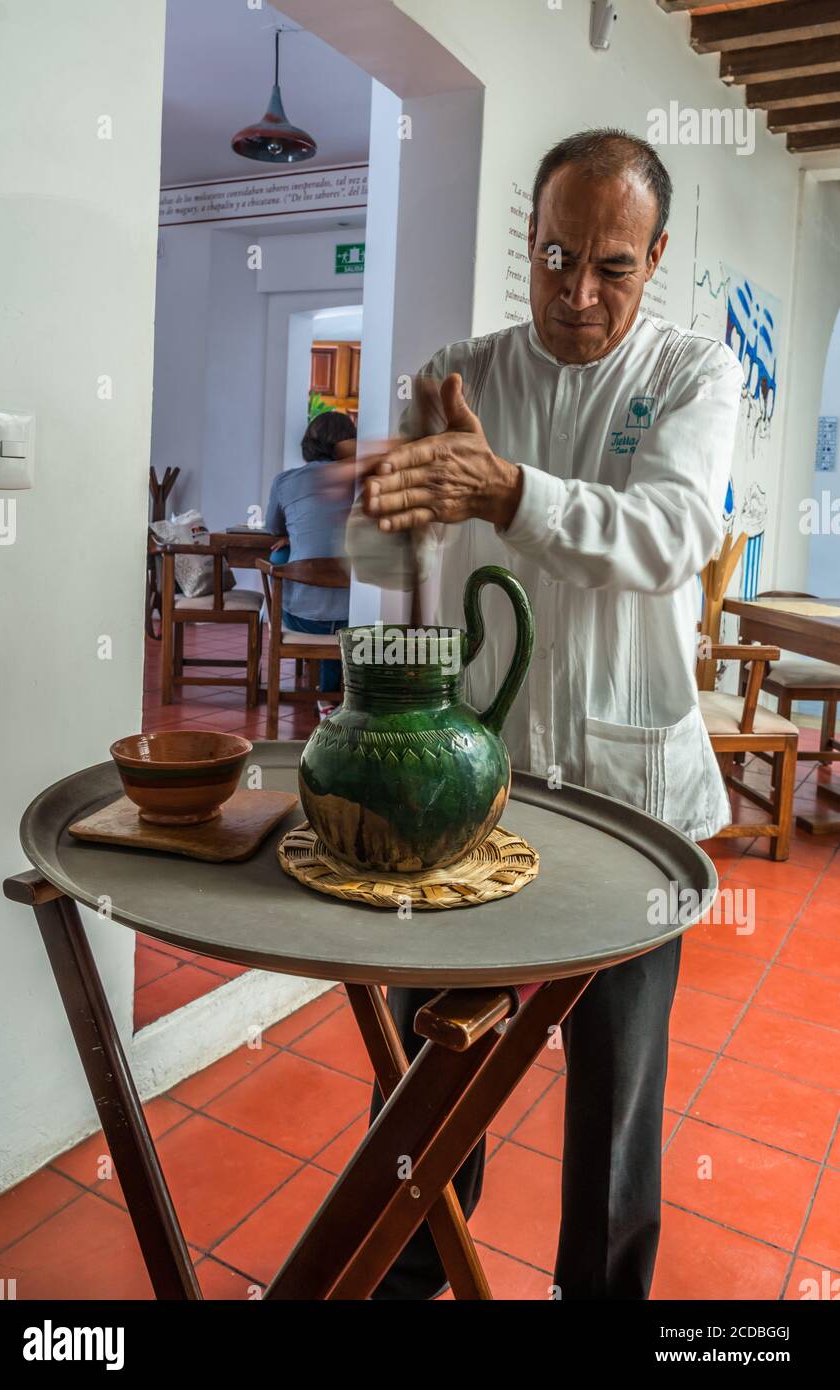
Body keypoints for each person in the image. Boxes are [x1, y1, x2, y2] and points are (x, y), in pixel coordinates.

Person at [346, 128, 743, 1300]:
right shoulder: (463, 370)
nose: (577, 292)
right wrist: (401, 491)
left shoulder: (689, 376)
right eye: (556, 256)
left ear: (656, 256)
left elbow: (670, 535)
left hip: (637, 806)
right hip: (474, 794)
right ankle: (403, 1279)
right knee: (432, 1074)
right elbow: (378, 551)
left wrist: (506, 488)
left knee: (618, 1100)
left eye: (611, 267)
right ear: (528, 239)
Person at [264, 410, 356, 712]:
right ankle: (332, 694)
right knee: (338, 608)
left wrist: (294, 534)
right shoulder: (362, 481)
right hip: (356, 617)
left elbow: (272, 529)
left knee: (279, 557)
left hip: (301, 619)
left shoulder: (285, 482)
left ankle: (326, 695)